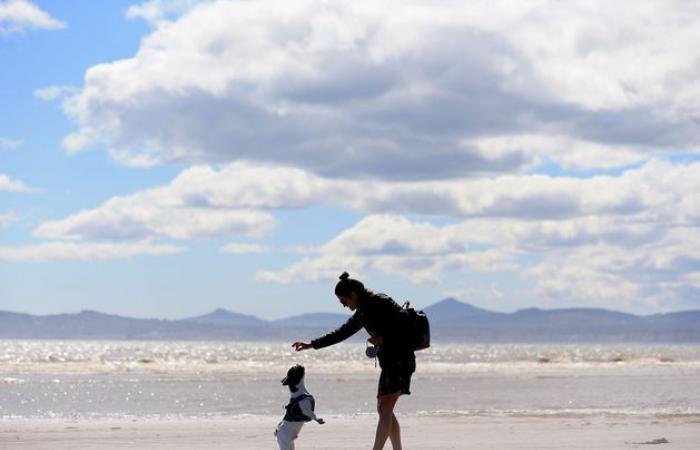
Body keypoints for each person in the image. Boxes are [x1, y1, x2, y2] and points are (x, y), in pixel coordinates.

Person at [292, 272, 415, 450]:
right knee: (384, 409)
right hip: (390, 361)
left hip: (401, 359)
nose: (344, 305)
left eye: (343, 301)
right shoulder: (363, 312)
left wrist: (383, 339)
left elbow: (404, 329)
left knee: (385, 409)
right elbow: (342, 333)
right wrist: (311, 344)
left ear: (354, 295)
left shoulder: (380, 302)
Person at [275, 364, 325, 450]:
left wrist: (288, 377)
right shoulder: (303, 398)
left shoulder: (297, 394)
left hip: (285, 431)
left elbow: (284, 381)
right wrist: (316, 419)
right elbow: (306, 411)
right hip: (285, 433)